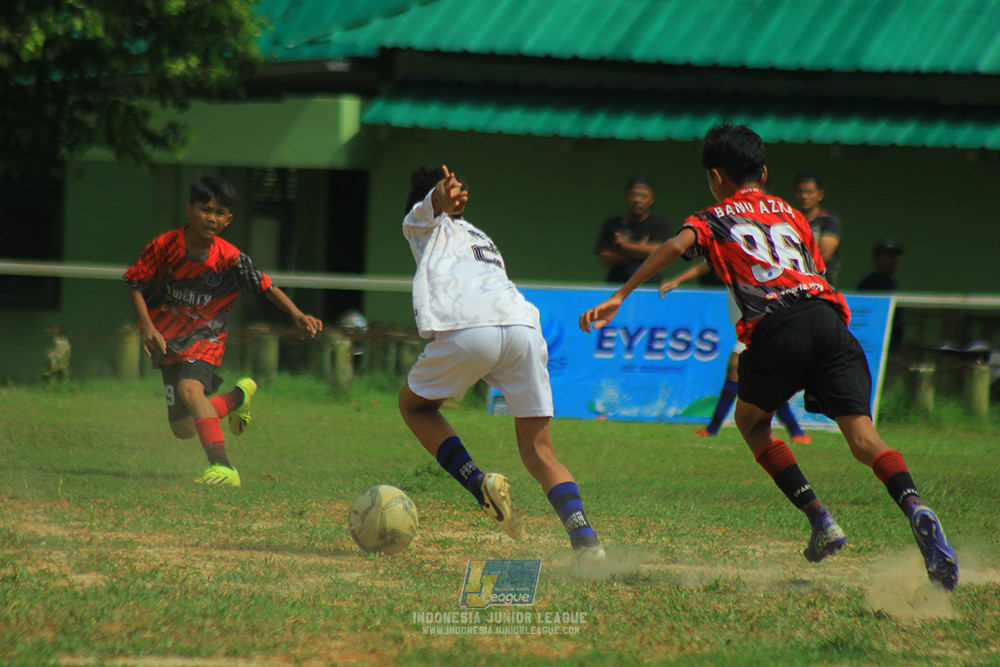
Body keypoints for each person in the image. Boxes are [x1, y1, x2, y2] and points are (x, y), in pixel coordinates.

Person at [580, 123, 957, 590]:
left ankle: (819, 517)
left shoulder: (712, 216)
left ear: (715, 176)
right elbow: (816, 269)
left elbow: (676, 246)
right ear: (763, 172)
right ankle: (914, 502)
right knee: (864, 438)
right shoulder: (794, 215)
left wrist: (620, 296)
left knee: (751, 422)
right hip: (829, 320)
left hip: (778, 326)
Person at [399, 165, 604, 564]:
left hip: (471, 328)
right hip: (524, 327)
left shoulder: (422, 225)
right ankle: (586, 540)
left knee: (414, 406)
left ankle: (478, 485)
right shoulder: (478, 235)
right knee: (540, 451)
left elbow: (431, 205)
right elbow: (435, 204)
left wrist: (438, 194)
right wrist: (440, 196)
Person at [125, 176, 323, 487]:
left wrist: (297, 314)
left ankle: (223, 466)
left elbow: (265, 285)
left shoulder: (229, 257)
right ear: (190, 210)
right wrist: (148, 328)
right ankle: (238, 397)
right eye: (206, 210)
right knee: (183, 428)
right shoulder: (165, 246)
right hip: (168, 340)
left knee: (191, 390)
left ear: (229, 219)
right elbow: (135, 285)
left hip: (207, 336)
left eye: (219, 213)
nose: (212, 218)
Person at [659, 260, 810, 444]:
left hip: (764, 318)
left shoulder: (759, 252)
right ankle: (795, 431)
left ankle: (794, 431)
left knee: (744, 370)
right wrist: (678, 280)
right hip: (750, 321)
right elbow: (709, 262)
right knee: (758, 376)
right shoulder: (727, 249)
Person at [595, 176, 672, 284]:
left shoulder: (659, 224)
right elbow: (604, 258)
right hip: (617, 285)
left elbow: (659, 253)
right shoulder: (613, 224)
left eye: (643, 196)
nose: (637, 200)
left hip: (648, 285)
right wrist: (640, 251)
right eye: (633, 195)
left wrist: (622, 246)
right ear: (626, 196)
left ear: (651, 199)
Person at [793, 171, 842, 287]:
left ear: (820, 194)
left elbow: (824, 254)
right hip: (794, 286)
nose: (804, 196)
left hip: (823, 286)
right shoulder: (789, 219)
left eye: (809, 192)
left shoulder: (828, 220)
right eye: (800, 192)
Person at [858, 240, 905, 350]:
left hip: (893, 344)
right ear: (877, 259)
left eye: (894, 256)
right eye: (889, 256)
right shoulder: (868, 284)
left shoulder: (892, 283)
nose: (893, 260)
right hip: (873, 345)